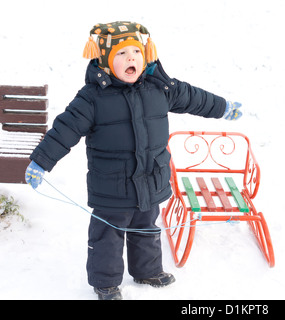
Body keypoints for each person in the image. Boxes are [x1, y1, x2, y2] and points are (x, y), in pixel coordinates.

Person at [25, 21, 242, 300]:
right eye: (121, 54)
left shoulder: (160, 88)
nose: (131, 58)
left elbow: (194, 98)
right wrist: (41, 162)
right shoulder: (92, 99)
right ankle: (105, 282)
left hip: (150, 178)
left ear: (146, 56)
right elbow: (64, 130)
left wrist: (223, 107)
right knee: (107, 236)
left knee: (146, 227)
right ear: (104, 61)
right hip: (111, 187)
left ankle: (147, 271)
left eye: (136, 53)